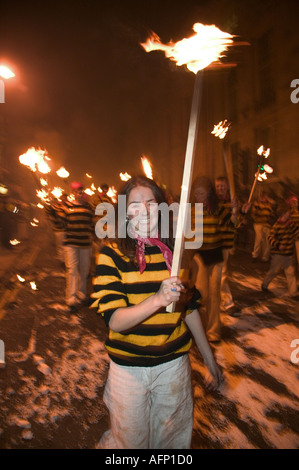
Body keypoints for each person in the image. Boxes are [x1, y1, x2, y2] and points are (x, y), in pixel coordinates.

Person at [90, 175, 223, 449]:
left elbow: (189, 308)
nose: (145, 210)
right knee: (130, 443)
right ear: (124, 211)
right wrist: (157, 299)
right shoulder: (111, 255)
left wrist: (210, 359)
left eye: (151, 202)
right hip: (129, 370)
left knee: (173, 441)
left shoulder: (173, 253)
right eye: (135, 204)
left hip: (173, 365)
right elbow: (115, 321)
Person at [189, 176, 235, 343]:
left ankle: (213, 332)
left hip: (215, 255)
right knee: (202, 293)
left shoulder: (217, 209)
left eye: (202, 193)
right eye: (197, 193)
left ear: (208, 193)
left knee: (215, 294)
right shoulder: (192, 210)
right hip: (200, 256)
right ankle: (196, 324)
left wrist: (238, 212)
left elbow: (231, 225)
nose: (199, 196)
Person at [57, 182, 93, 312]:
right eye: (78, 191)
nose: (80, 193)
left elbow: (92, 224)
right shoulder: (67, 206)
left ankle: (81, 295)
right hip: (71, 244)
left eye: (82, 191)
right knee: (72, 270)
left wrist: (95, 236)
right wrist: (54, 208)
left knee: (84, 271)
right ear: (73, 193)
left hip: (85, 244)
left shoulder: (89, 207)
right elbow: (60, 222)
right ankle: (71, 300)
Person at [262, 203, 299, 297]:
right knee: (273, 271)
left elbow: (296, 233)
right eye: (287, 212)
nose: (289, 214)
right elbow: (270, 237)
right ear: (282, 214)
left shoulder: (291, 224)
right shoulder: (277, 225)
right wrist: (277, 244)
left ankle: (293, 292)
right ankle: (265, 283)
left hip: (288, 255)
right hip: (278, 255)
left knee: (290, 273)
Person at [215, 176, 239, 316]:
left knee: (221, 274)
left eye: (222, 186)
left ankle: (217, 301)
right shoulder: (214, 204)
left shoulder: (232, 202)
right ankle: (227, 303)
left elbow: (235, 224)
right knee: (222, 274)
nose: (220, 189)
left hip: (226, 244)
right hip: (215, 243)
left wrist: (237, 211)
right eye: (218, 186)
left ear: (227, 187)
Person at [250, 190, 275, 262]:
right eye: (264, 196)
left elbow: (271, 213)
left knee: (268, 241)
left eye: (266, 197)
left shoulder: (269, 205)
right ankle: (255, 255)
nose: (265, 198)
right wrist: (257, 216)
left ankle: (265, 257)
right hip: (258, 224)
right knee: (259, 239)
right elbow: (253, 213)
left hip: (266, 224)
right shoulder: (257, 203)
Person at [286, 194, 299, 271]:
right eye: (294, 202)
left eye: (296, 202)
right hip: (290, 235)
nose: (296, 204)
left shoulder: (297, 212)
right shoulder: (289, 213)